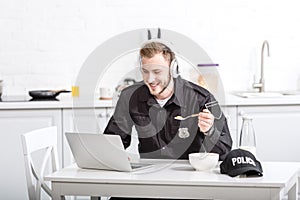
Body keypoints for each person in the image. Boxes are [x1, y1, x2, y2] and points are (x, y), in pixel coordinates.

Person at [104, 41, 232, 199]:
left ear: (173, 69)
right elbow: (112, 140)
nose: (150, 79)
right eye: (145, 71)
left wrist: (210, 130)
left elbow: (225, 150)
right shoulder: (130, 96)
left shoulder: (201, 98)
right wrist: (115, 154)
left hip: (189, 181)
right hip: (147, 178)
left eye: (157, 71)